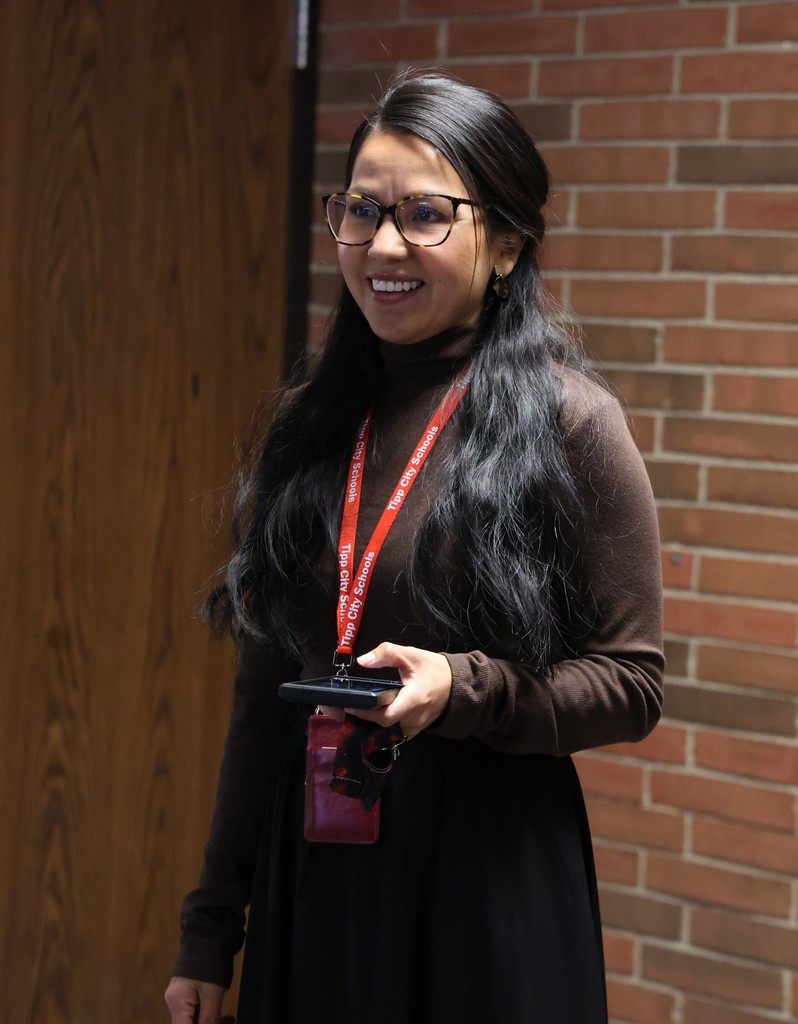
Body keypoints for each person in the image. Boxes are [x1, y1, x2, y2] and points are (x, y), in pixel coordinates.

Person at [165, 70, 664, 1024]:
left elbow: (631, 682)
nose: (384, 245)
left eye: (426, 214)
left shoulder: (569, 422)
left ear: (506, 244)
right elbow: (264, 696)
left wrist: (462, 688)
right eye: (361, 210)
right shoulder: (311, 422)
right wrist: (209, 930)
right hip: (318, 869)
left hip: (487, 881)